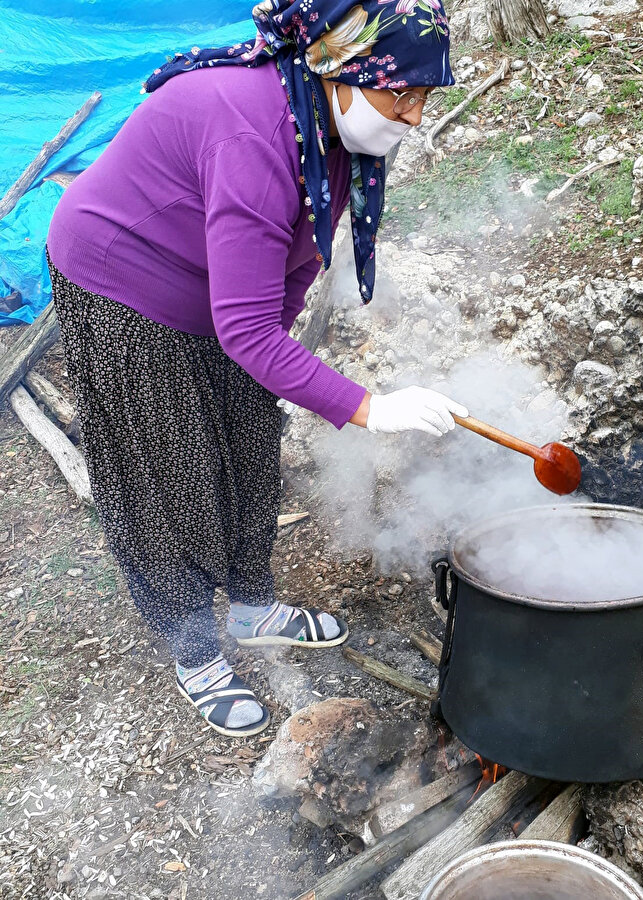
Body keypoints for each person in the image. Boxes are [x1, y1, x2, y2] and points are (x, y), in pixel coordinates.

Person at [45, 0, 466, 737]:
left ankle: (248, 602)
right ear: (345, 68)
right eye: (404, 94)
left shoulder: (330, 132)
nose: (417, 116)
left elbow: (289, 267)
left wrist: (270, 344)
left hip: (210, 282)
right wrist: (366, 406)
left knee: (248, 435)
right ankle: (193, 649)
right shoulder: (256, 129)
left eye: (427, 96)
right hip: (120, 276)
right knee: (166, 469)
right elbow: (243, 324)